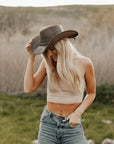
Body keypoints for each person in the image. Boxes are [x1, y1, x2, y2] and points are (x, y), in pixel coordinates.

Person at [24, 24, 96, 144]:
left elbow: (91, 93)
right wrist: (31, 58)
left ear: (62, 44)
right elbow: (28, 88)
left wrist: (77, 114)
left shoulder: (84, 63)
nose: (50, 54)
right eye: (46, 51)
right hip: (48, 124)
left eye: (52, 48)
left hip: (71, 126)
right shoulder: (47, 64)